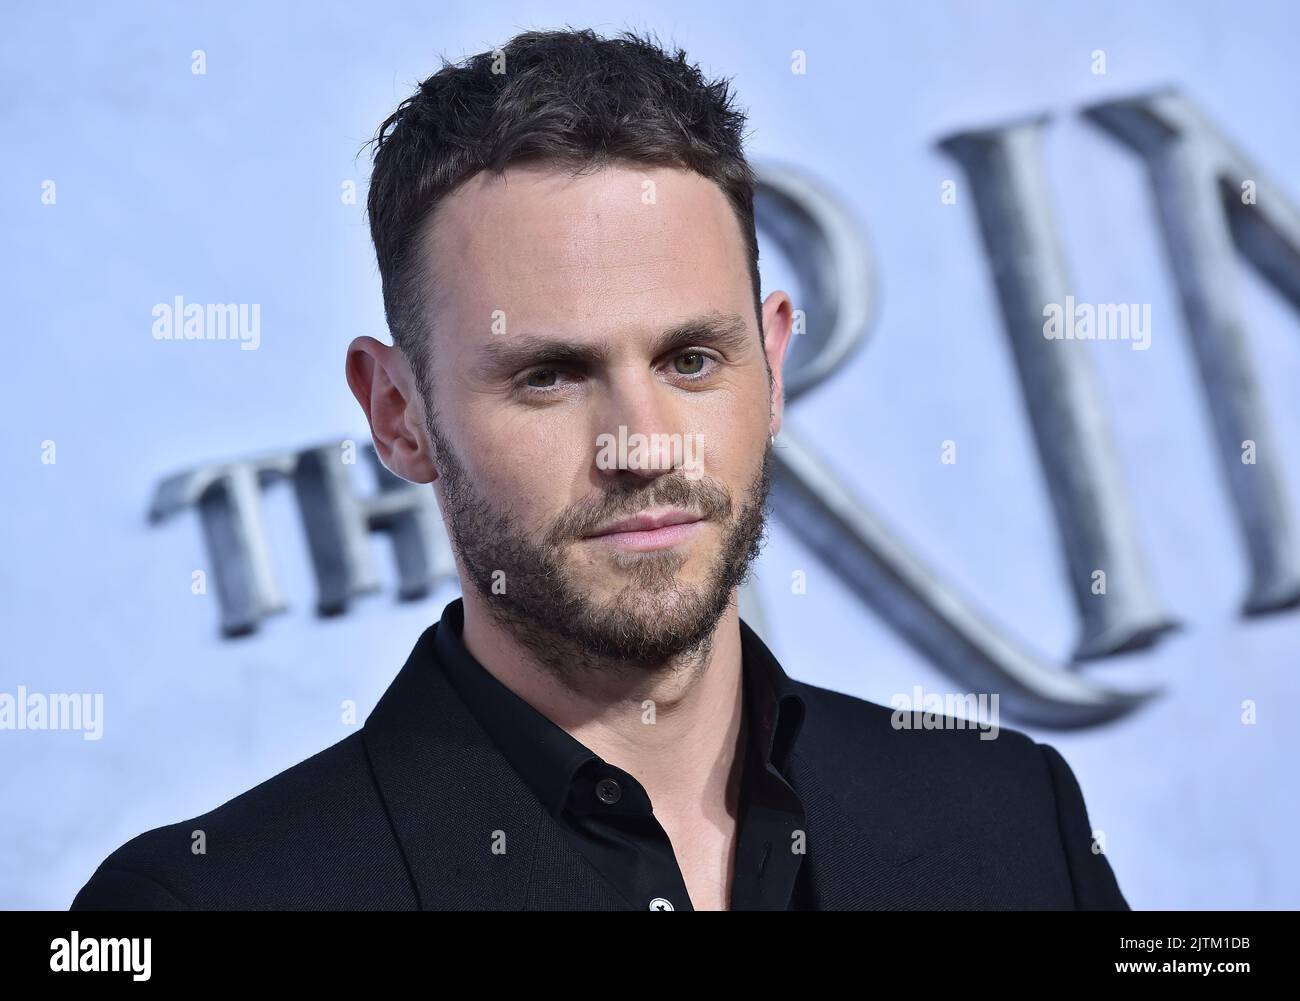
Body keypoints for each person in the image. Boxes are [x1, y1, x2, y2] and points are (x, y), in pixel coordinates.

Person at [71, 26, 1128, 911]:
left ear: (773, 364)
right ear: (398, 415)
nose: (642, 444)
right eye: (548, 375)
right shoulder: (209, 901)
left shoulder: (1008, 814)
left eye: (691, 359)